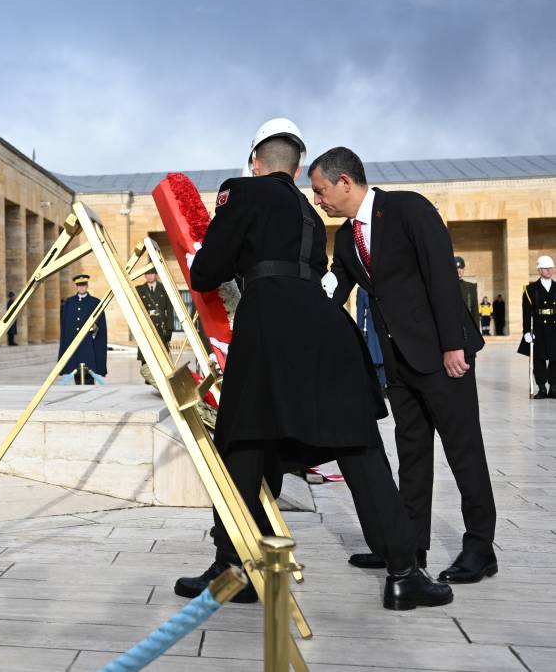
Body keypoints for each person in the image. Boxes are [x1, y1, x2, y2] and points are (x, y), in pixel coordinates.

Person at [176, 119, 450, 611]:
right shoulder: (308, 209)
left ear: (255, 162)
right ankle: (404, 573)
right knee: (359, 449)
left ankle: (234, 569)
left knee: (243, 448)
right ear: (299, 168)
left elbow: (206, 270)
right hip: (325, 330)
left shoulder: (242, 193)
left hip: (268, 334)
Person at [312, 146, 497, 584]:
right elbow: (337, 285)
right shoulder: (346, 238)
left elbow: (440, 276)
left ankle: (480, 549)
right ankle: (409, 547)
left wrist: (454, 346)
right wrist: (300, 306)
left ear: (344, 182)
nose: (318, 201)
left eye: (320, 191)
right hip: (398, 364)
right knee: (412, 456)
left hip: (441, 357)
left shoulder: (408, 208)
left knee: (463, 451)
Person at [58, 275, 107, 385]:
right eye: (79, 286)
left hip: (88, 342)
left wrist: (94, 329)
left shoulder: (95, 302)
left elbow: (100, 323)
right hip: (74, 342)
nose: (81, 288)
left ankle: (89, 387)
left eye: (83, 285)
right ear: (76, 287)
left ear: (87, 286)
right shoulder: (69, 302)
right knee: (76, 369)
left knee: (89, 368)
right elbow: (65, 323)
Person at [522, 255, 556, 398]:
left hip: (554, 329)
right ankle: (541, 388)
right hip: (539, 329)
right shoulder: (530, 289)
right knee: (539, 360)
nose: (549, 271)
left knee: (555, 359)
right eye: (546, 268)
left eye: (551, 268)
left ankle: (553, 387)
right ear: (539, 270)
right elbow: (526, 312)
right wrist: (526, 332)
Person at [136, 268, 173, 385]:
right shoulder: (140, 290)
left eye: (152, 273)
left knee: (162, 354)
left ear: (156, 275)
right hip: (147, 325)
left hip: (161, 326)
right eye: (147, 274)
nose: (150, 276)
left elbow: (170, 310)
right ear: (145, 276)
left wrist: (169, 328)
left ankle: (163, 380)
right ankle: (149, 380)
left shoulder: (164, 288)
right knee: (146, 353)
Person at [356, 287, 387, 387]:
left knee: (374, 355)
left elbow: (360, 314)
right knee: (381, 353)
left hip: (373, 323)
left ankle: (379, 385)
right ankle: (384, 383)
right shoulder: (378, 283)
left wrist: (359, 330)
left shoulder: (362, 289)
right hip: (382, 321)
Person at [456, 257, 480, 330]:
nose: (459, 271)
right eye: (457, 268)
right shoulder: (447, 287)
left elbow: (475, 311)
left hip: (467, 326)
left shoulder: (471, 287)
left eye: (461, 268)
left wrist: (477, 331)